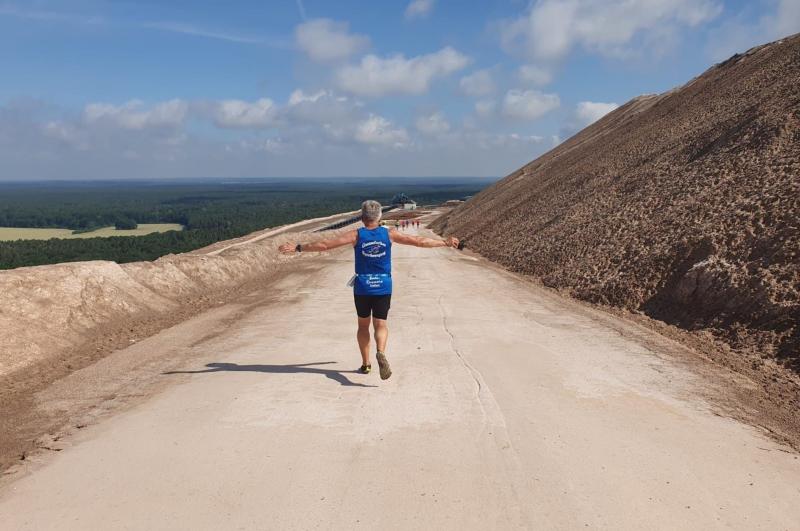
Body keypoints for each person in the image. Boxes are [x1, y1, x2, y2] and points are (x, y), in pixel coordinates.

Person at [279, 200, 459, 380]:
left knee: (363, 325)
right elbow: (419, 241)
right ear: (379, 217)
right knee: (381, 325)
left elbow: (325, 245)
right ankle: (381, 352)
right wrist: (444, 242)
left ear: (362, 217)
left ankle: (366, 364)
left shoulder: (356, 235)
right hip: (383, 285)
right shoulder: (389, 234)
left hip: (363, 286)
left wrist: (298, 247)